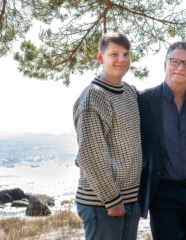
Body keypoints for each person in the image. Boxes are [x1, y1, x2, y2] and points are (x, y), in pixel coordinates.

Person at [138, 41, 186, 240]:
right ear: (165, 65)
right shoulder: (145, 101)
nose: (180, 67)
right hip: (163, 194)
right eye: (175, 62)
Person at [73, 33, 142, 240]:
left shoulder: (129, 92)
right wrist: (112, 200)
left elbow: (155, 99)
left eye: (125, 54)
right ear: (101, 58)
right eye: (114, 54)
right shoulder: (93, 96)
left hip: (129, 200)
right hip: (102, 203)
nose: (121, 59)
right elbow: (91, 153)